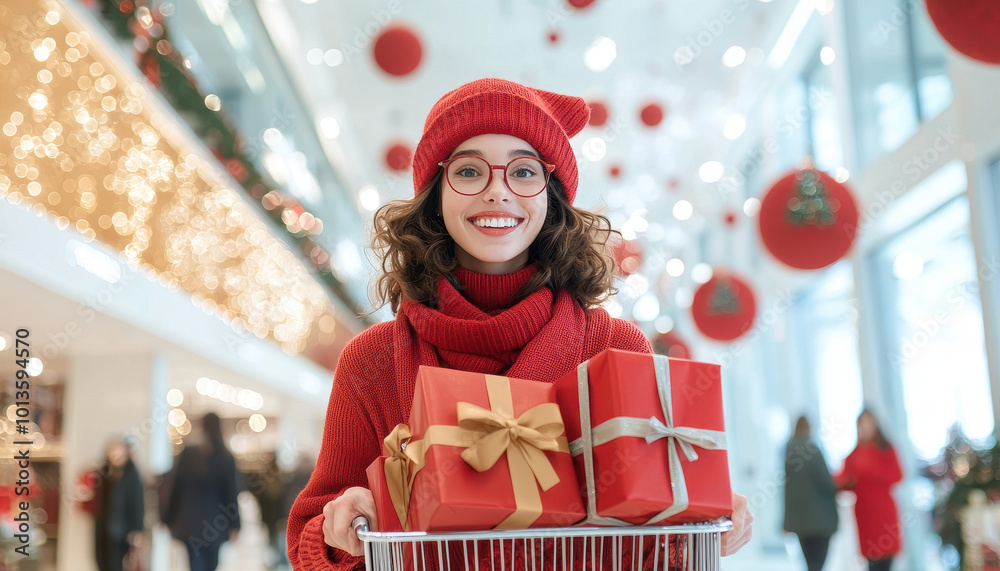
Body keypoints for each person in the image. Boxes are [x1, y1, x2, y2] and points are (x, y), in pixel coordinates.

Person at [286, 77, 753, 570]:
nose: (497, 192)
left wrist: (701, 522)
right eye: (468, 171)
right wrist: (342, 528)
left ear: (551, 194)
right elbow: (306, 542)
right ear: (434, 194)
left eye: (524, 172)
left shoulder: (613, 348)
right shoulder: (373, 360)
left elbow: (654, 540)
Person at [163, 412, 241, 571]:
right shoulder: (225, 457)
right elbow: (231, 494)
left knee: (195, 565)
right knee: (211, 565)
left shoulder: (189, 454)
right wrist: (235, 524)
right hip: (215, 524)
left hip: (189, 522)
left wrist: (167, 518)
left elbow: (175, 487)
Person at [835, 409, 903, 571]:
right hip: (865, 512)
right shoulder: (854, 454)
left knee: (886, 559)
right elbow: (843, 480)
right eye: (862, 423)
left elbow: (897, 476)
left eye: (869, 422)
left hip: (883, 510)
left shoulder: (885, 448)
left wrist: (870, 469)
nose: (866, 427)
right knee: (871, 561)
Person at [783, 416, 838, 571]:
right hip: (819, 521)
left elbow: (787, 489)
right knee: (818, 565)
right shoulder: (812, 449)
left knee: (809, 565)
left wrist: (787, 521)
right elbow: (826, 483)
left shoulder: (788, 451)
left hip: (800, 522)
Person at [92, 436, 145, 571]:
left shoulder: (132, 475)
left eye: (120, 451)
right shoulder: (103, 474)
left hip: (123, 531)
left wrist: (137, 530)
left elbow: (138, 504)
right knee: (102, 562)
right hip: (103, 529)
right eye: (113, 451)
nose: (117, 455)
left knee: (119, 564)